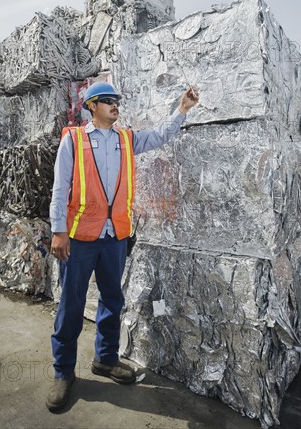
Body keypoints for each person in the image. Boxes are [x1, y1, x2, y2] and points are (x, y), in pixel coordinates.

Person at [46, 81, 199, 411]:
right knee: (70, 306)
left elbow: (159, 135)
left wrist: (181, 110)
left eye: (117, 100)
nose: (115, 105)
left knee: (112, 298)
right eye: (107, 101)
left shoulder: (126, 140)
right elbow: (60, 188)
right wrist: (58, 231)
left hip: (114, 236)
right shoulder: (74, 140)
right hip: (79, 237)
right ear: (91, 106)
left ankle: (105, 358)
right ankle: (62, 372)